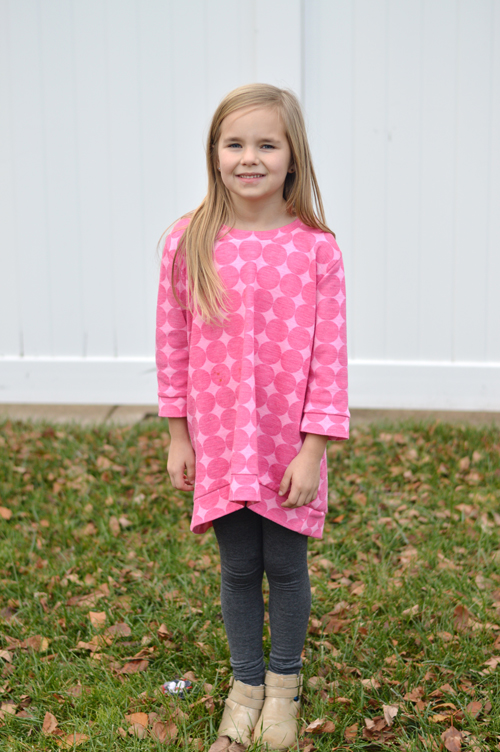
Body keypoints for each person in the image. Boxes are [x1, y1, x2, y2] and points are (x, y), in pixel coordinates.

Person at [155, 83, 349, 750]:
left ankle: (283, 687)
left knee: (287, 567)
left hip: (287, 443)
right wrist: (178, 435)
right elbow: (173, 341)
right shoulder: (188, 241)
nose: (249, 158)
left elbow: (330, 358)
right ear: (214, 153)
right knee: (238, 568)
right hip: (217, 438)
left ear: (293, 156)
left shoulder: (317, 249)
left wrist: (313, 448)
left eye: (267, 144)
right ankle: (245, 687)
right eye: (234, 144)